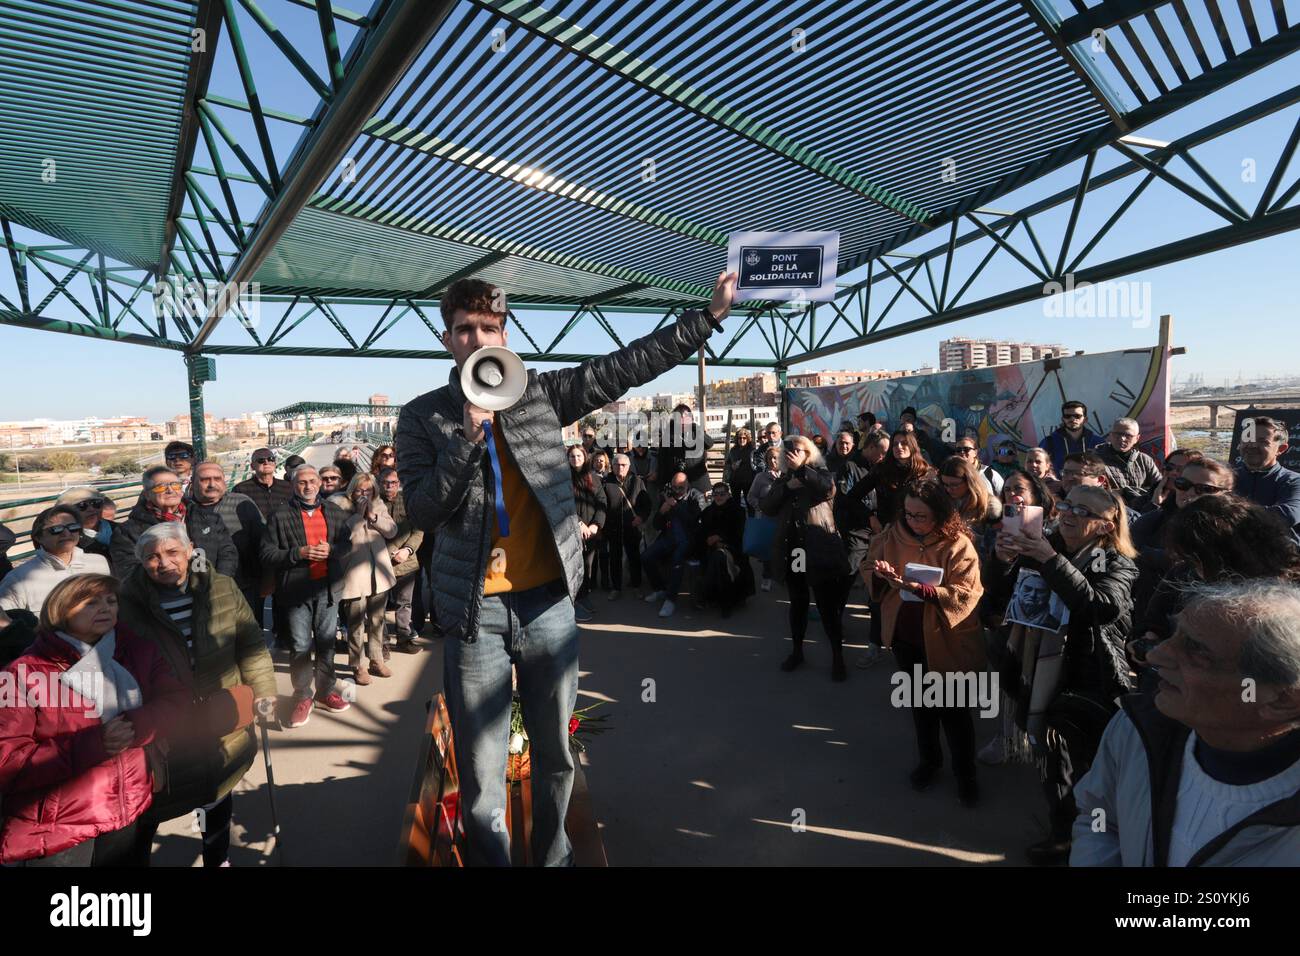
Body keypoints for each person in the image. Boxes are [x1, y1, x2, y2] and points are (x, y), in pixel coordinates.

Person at [395, 271, 737, 867]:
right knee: (481, 768)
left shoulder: (541, 395)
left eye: (488, 328)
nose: (476, 339)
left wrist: (705, 319)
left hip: (548, 604)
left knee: (555, 755)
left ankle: (552, 858)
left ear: (506, 333)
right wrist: (468, 435)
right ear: (447, 339)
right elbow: (424, 508)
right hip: (476, 614)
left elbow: (622, 367)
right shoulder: (422, 416)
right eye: (463, 330)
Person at [1071, 579, 1300, 866]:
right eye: (1174, 634)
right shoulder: (1136, 731)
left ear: (1282, 700)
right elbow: (1099, 817)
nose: (1155, 654)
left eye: (1198, 652)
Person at [987, 485, 1138, 865]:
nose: (1069, 514)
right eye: (1067, 505)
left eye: (1083, 512)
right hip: (1032, 665)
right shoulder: (1042, 543)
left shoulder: (1117, 562)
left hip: (1088, 674)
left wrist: (1051, 559)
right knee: (1052, 756)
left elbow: (1102, 608)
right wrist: (1003, 559)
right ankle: (1062, 831)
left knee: (1086, 759)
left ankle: (1096, 835)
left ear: (1106, 526)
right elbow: (999, 598)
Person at [0, 573, 188, 866]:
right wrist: (95, 744)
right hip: (62, 826)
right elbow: (8, 760)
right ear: (60, 609)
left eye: (110, 601)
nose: (105, 608)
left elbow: (176, 703)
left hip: (130, 807)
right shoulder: (22, 674)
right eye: (90, 602)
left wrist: (138, 726)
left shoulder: (138, 651)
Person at [117, 523, 276, 867]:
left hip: (220, 715)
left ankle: (216, 858)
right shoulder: (125, 602)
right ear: (141, 562)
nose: (164, 562)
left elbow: (250, 644)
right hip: (164, 725)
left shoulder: (221, 587)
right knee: (152, 806)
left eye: (173, 552)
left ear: (190, 550)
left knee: (217, 791)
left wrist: (264, 692)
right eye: (152, 557)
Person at [867, 479, 985, 806]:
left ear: (940, 513)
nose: (913, 522)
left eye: (921, 516)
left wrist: (921, 589)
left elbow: (967, 593)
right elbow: (868, 567)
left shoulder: (958, 544)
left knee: (954, 712)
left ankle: (966, 774)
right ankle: (929, 763)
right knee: (921, 707)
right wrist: (881, 573)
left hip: (945, 641)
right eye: (908, 514)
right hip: (906, 638)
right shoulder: (893, 535)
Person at [1127, 494, 1300, 680]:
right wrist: (1144, 643)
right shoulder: (1184, 573)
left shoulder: (1287, 593)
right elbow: (1152, 622)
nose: (1195, 567)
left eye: (1200, 557)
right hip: (1178, 690)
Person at [260, 464, 354, 726]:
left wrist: (333, 550)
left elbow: (347, 544)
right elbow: (266, 554)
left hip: (327, 590)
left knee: (326, 644)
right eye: (302, 482)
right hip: (295, 593)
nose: (309, 486)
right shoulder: (279, 516)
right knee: (300, 646)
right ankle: (303, 695)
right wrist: (297, 554)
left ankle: (325, 692)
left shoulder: (333, 512)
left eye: (314, 481)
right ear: (292, 484)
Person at [761, 435, 852, 681]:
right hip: (794, 552)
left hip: (819, 549)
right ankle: (797, 651)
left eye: (798, 450)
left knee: (826, 606)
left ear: (809, 452)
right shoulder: (785, 479)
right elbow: (767, 506)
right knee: (798, 602)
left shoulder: (820, 472)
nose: (792, 454)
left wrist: (802, 471)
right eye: (788, 451)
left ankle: (837, 656)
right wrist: (786, 487)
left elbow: (827, 489)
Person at [327, 472, 397, 685]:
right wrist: (358, 515)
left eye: (368, 490)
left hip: (379, 573)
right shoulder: (338, 505)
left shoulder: (378, 505)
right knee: (355, 623)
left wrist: (373, 517)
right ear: (352, 490)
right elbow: (342, 536)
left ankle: (376, 659)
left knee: (377, 620)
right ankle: (357, 665)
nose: (364, 494)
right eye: (360, 490)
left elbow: (392, 531)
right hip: (353, 574)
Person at [111, 467, 238, 582]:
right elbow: (130, 571)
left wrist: (219, 583)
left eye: (176, 485)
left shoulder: (208, 517)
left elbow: (227, 553)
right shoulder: (128, 532)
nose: (170, 490)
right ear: (147, 495)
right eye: (161, 487)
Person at [0, 506, 111, 614]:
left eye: (73, 527)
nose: (66, 533)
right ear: (38, 537)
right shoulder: (18, 579)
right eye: (56, 529)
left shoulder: (99, 562)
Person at [187, 460, 265, 614]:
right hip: (200, 589)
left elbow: (262, 542)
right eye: (204, 480)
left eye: (217, 479)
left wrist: (268, 578)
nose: (211, 484)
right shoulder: (185, 510)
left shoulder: (241, 503)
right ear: (192, 482)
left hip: (244, 586)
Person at [643, 471, 704, 619]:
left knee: (677, 560)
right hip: (669, 538)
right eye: (674, 487)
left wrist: (675, 506)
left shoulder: (697, 496)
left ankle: (670, 600)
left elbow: (694, 521)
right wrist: (662, 512)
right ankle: (659, 589)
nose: (677, 491)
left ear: (687, 484)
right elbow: (657, 525)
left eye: (681, 488)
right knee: (646, 557)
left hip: (688, 540)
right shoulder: (667, 495)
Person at [377, 467, 423, 654]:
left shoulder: (409, 501)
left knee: (405, 604)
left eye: (393, 482)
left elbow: (418, 530)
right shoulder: (374, 503)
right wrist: (387, 553)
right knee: (379, 606)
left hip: (406, 561)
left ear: (399, 483)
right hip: (380, 562)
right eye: (385, 483)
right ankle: (382, 643)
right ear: (379, 483)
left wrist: (407, 549)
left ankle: (404, 638)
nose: (389, 486)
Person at [1234, 415, 1300, 544]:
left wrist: (1227, 512)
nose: (1252, 445)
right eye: (1247, 439)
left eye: (1263, 441)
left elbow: (1289, 515)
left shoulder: (1293, 481)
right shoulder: (1225, 477)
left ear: (1281, 449)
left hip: (1281, 558)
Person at [696, 482, 752, 616]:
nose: (719, 497)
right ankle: (721, 600)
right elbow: (702, 531)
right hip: (711, 548)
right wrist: (710, 539)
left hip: (733, 548)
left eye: (722, 494)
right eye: (716, 494)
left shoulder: (737, 511)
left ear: (728, 495)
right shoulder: (708, 512)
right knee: (717, 557)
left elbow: (738, 533)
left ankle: (708, 595)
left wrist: (721, 538)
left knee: (719, 558)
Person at [603, 453, 651, 599]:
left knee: (634, 558)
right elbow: (602, 504)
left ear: (629, 466)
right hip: (613, 527)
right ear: (612, 466)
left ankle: (636, 586)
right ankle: (616, 588)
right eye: (617, 464)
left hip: (632, 527)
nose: (620, 467)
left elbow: (646, 504)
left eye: (623, 465)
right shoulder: (606, 482)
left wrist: (641, 517)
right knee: (614, 558)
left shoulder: (637, 481)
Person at [568, 444, 606, 623]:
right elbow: (563, 505)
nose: (576, 459)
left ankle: (583, 597)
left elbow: (601, 502)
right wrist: (579, 523)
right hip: (570, 531)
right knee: (573, 568)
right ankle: (572, 604)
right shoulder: (564, 478)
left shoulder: (593, 478)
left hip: (590, 532)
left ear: (585, 457)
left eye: (579, 456)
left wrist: (596, 525)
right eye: (572, 456)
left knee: (587, 567)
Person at [938, 455, 1002, 556]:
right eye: (945, 484)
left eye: (954, 484)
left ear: (969, 481)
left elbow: (992, 548)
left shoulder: (989, 507)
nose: (949, 489)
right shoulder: (942, 500)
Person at [1095, 417, 1162, 511]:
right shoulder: (1094, 460)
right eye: (1118, 434)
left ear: (1137, 438)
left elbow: (1159, 487)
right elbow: (1094, 492)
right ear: (1110, 435)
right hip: (1109, 513)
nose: (1122, 439)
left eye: (1128, 435)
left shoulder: (1145, 460)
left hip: (1143, 514)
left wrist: (1125, 491)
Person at [747, 444, 784, 591]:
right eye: (770, 459)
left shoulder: (787, 476)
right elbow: (751, 497)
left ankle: (785, 576)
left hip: (783, 518)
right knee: (768, 549)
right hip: (766, 518)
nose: (773, 461)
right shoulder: (760, 477)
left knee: (784, 548)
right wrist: (760, 506)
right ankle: (767, 577)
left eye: (776, 458)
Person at [1040, 400, 1105, 475]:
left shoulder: (1098, 443)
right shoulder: (1049, 442)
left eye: (1077, 416)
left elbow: (1105, 469)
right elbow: (1039, 466)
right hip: (1060, 485)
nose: (1072, 419)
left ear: (1085, 419)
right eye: (1067, 416)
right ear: (1063, 419)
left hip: (1089, 485)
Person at [55, 486, 115, 562]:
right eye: (82, 505)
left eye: (96, 503)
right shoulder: (65, 541)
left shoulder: (121, 529)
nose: (91, 509)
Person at [232, 447, 293, 519]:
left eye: (270, 459)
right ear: (252, 466)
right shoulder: (241, 490)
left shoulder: (287, 487)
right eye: (261, 460)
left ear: (275, 464)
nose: (266, 462)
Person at [723, 427, 756, 506]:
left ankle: (750, 518)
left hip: (748, 480)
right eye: (739, 438)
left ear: (747, 438)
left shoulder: (752, 450)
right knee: (735, 503)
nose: (742, 440)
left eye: (744, 438)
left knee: (749, 502)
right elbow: (727, 463)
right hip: (735, 480)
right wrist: (732, 466)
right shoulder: (733, 450)